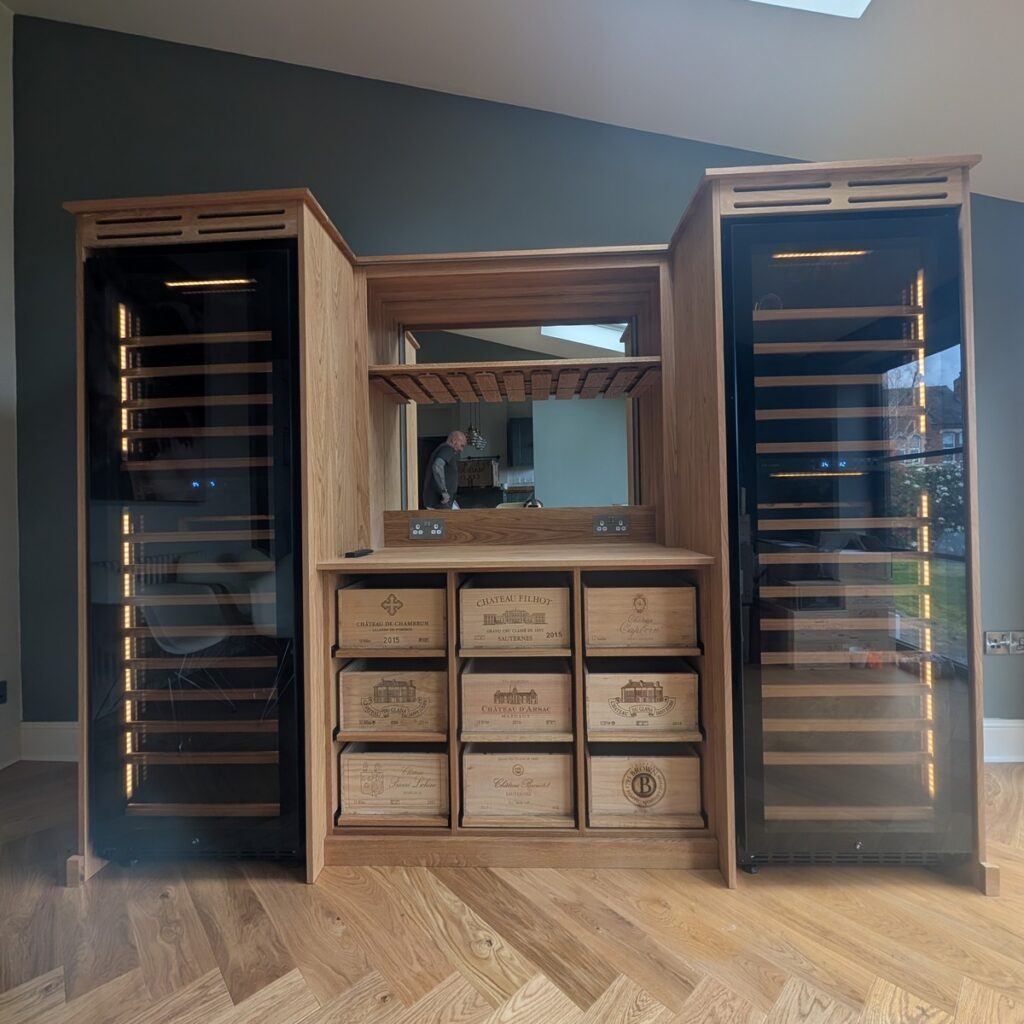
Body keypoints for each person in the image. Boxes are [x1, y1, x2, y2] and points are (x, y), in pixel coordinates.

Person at [422, 430, 466, 509]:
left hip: (439, 502)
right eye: (461, 445)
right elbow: (437, 466)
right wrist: (444, 491)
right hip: (439, 502)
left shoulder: (442, 449)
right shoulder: (448, 449)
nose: (461, 450)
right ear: (454, 441)